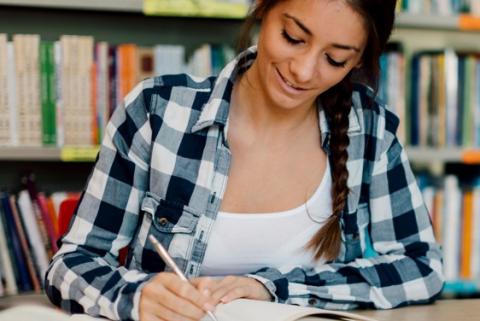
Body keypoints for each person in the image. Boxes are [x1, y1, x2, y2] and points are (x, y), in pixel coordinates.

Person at [45, 0, 444, 320]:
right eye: (292, 37)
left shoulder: (368, 131)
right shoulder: (158, 113)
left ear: (357, 61)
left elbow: (421, 267)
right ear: (262, 9)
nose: (303, 71)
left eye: (335, 60)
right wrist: (135, 297)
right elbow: (71, 264)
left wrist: (271, 287)